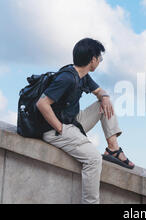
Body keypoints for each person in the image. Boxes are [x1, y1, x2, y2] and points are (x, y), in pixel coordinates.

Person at [36, 38, 134, 204]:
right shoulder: (67, 78)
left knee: (104, 105)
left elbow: (99, 91)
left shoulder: (83, 75)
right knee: (94, 160)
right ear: (93, 60)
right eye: (99, 59)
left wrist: (104, 97)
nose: (99, 62)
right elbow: (42, 103)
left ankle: (113, 149)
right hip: (54, 129)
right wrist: (60, 128)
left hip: (73, 121)